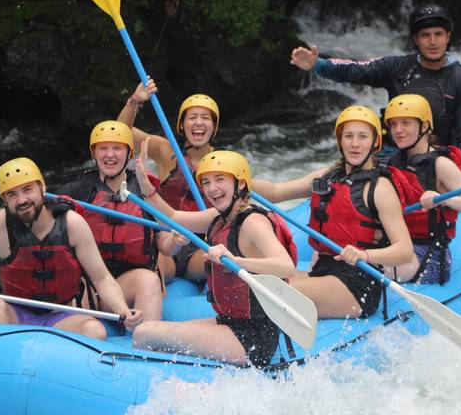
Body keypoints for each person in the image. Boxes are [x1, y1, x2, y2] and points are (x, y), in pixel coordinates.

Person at [0, 157, 142, 338]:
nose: (21, 200)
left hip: (61, 315)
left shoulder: (72, 223)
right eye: (12, 194)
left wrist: (122, 310)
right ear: (4, 200)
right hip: (15, 314)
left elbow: (101, 278)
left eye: (27, 189)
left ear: (42, 188)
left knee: (95, 331)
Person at [130, 146, 298, 368]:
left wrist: (237, 262)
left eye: (220, 179)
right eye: (206, 182)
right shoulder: (218, 218)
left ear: (241, 184)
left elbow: (286, 266)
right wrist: (145, 185)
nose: (212, 188)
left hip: (254, 336)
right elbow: (170, 217)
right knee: (146, 337)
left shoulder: (253, 223)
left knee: (144, 332)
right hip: (229, 322)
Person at [253, 106, 414, 319]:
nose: (355, 144)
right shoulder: (327, 176)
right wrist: (235, 177)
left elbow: (405, 251)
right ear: (340, 140)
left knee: (267, 295)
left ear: (375, 142)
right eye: (348, 136)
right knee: (253, 283)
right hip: (323, 271)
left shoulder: (380, 187)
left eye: (362, 137)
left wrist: (365, 255)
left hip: (358, 282)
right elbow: (276, 192)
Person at [290, 4, 461, 159]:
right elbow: (354, 70)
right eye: (425, 35)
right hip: (390, 155)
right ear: (415, 39)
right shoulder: (397, 67)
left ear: (448, 36)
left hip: (435, 161)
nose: (432, 41)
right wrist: (318, 65)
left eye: (438, 34)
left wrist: (460, 168)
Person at [56, 120, 173, 322]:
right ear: (94, 153)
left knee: (149, 280)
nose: (110, 155)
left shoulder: (145, 190)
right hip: (90, 282)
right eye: (103, 148)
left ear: (129, 153)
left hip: (130, 281)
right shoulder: (76, 191)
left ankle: (146, 340)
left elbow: (165, 245)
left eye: (117, 148)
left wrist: (175, 242)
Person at [117, 81, 220, 282]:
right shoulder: (166, 151)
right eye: (192, 117)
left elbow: (270, 191)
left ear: (214, 127)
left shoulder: (224, 162)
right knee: (154, 261)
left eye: (205, 118)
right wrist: (136, 101)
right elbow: (121, 132)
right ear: (181, 125)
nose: (199, 122)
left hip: (201, 248)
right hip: (166, 243)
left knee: (218, 260)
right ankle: (155, 302)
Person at [383, 94, 461, 284]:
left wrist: (444, 199)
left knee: (371, 269)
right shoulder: (393, 161)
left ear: (424, 126)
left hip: (430, 255)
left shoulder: (440, 164)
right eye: (393, 124)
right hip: (397, 245)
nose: (398, 130)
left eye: (406, 123)